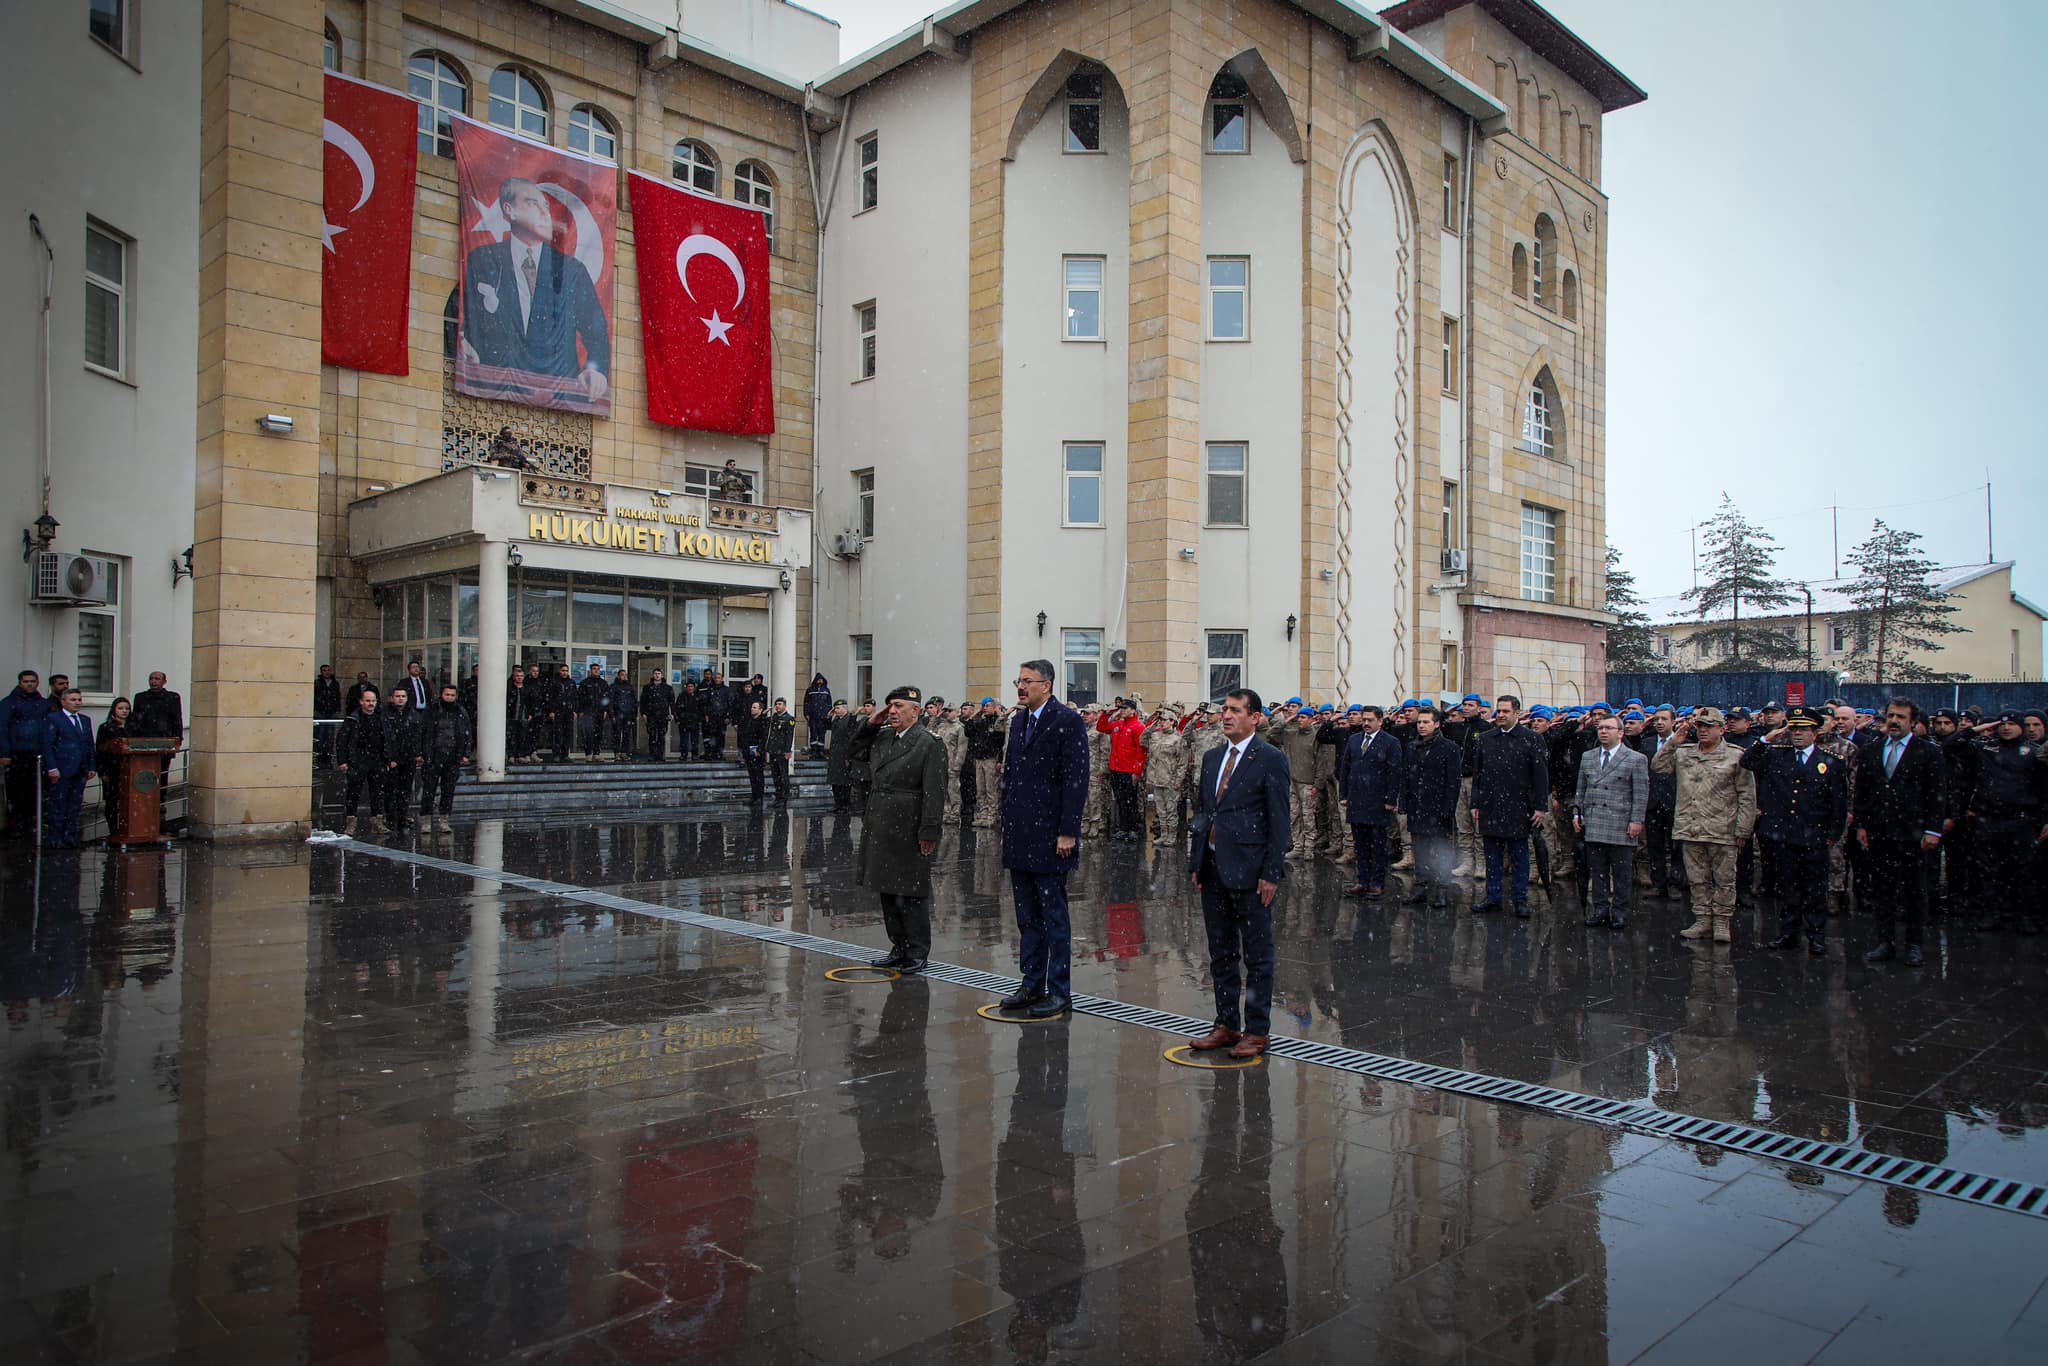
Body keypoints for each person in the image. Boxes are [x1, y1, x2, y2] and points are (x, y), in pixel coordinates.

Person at [1187, 688, 1290, 1060]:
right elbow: (1204, 812)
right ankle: (1227, 1024)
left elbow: (1279, 821)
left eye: (1234, 710)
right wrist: (1198, 861)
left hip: (1251, 873)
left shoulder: (1270, 759)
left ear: (1255, 717)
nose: (1226, 716)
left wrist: (1271, 873)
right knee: (1221, 952)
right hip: (1214, 870)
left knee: (1258, 956)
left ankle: (1257, 1031)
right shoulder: (1213, 758)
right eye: (1224, 710)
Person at [459, 176, 612, 408]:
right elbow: (464, 316)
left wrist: (596, 370)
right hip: (492, 392)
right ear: (508, 210)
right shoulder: (483, 259)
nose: (544, 212)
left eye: (546, 206)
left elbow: (597, 332)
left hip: (561, 399)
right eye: (532, 203)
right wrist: (463, 342)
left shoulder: (570, 271)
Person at [997, 659, 1090, 1018]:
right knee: (1026, 916)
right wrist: (1007, 828)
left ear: (1046, 685)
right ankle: (1031, 983)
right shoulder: (1019, 720)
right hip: (1021, 833)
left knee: (1054, 917)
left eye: (1027, 682)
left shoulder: (1066, 721)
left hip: (1052, 835)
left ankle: (1059, 990)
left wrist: (1068, 830)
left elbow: (1076, 780)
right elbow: (1011, 779)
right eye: (1018, 681)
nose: (1020, 687)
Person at [853, 685, 948, 972]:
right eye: (890, 706)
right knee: (887, 890)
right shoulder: (883, 737)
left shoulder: (929, 743)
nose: (892, 711)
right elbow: (854, 750)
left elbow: (935, 792)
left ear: (916, 711)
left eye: (898, 706)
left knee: (910, 892)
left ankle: (917, 951)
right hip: (880, 822)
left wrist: (929, 831)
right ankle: (899, 946)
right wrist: (872, 722)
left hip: (908, 825)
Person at [1741, 706, 1850, 956]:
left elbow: (1838, 803)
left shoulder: (1830, 762)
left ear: (1815, 732)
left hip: (1815, 835)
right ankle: (1788, 932)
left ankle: (1816, 936)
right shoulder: (1777, 755)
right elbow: (1747, 761)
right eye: (1794, 729)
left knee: (1814, 889)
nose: (1798, 734)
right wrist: (1768, 737)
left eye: (1803, 730)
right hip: (1784, 835)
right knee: (1788, 888)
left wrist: (1833, 834)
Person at [1650, 708, 1757, 944]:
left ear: (1721, 729)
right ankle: (1702, 919)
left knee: (1724, 879)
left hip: (1722, 828)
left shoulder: (1736, 756)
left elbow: (1746, 795)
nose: (1703, 730)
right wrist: (1674, 743)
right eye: (1699, 726)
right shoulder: (1685, 753)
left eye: (1709, 726)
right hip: (1691, 827)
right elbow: (1658, 767)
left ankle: (1721, 922)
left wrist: (1743, 830)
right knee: (1697, 879)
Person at [1954, 712, 2046, 934]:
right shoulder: (1985, 749)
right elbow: (1951, 745)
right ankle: (1991, 914)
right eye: (2002, 724)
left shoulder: (2034, 752)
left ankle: (2025, 917)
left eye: (2012, 724)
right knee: (1988, 871)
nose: (2006, 728)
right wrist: (1976, 728)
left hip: (2021, 821)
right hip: (1989, 820)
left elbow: (2044, 790)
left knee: (2024, 872)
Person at [1470, 695, 1549, 918]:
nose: (1501, 715)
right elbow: (1479, 773)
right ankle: (1493, 897)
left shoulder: (1531, 739)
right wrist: (1476, 802)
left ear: (1517, 712)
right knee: (1492, 855)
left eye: (1506, 711)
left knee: (1519, 856)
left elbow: (1540, 776)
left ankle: (1520, 899)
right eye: (1499, 711)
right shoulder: (1486, 738)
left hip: (1519, 806)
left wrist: (1540, 807)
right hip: (1491, 805)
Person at [1574, 715, 1649, 930]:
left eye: (1609, 728)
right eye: (1601, 728)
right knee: (1597, 870)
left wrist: (1636, 820)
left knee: (1621, 873)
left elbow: (1641, 793)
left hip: (1620, 823)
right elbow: (1581, 789)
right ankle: (1600, 909)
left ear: (1620, 732)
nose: (1603, 732)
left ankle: (1619, 911)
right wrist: (1577, 813)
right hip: (1594, 822)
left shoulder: (1635, 758)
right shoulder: (1588, 757)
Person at [1337, 705, 1403, 899]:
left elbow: (1394, 773)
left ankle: (1377, 883)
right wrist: (1344, 794)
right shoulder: (1354, 740)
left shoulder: (1390, 742)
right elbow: (1345, 768)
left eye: (1370, 720)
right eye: (1364, 719)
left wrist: (1391, 799)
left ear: (1380, 721)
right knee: (1361, 845)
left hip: (1378, 802)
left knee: (1377, 846)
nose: (1366, 723)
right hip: (1357, 801)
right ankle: (1362, 881)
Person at [1400, 706, 1464, 908]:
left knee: (1442, 849)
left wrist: (1447, 809)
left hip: (1438, 807)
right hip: (1417, 806)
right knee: (1420, 849)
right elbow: (1407, 777)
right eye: (1419, 722)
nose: (1421, 726)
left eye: (1426, 722)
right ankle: (1421, 887)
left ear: (1436, 724)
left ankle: (1443, 889)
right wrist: (1404, 803)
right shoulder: (1412, 747)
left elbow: (1453, 782)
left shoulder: (1449, 747)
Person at [38, 690, 95, 848]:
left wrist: (91, 766)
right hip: (62, 768)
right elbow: (47, 745)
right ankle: (55, 838)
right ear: (63, 702)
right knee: (58, 804)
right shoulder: (54, 719)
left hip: (80, 769)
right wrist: (52, 767)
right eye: (73, 699)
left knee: (75, 805)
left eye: (79, 699)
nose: (77, 702)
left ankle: (69, 837)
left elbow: (89, 744)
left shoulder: (84, 720)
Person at [0, 670, 53, 838]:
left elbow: (49, 729)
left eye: (32, 681)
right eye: (26, 681)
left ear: (37, 683)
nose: (29, 684)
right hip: (17, 754)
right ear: (20, 683)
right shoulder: (9, 703)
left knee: (36, 792)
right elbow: (2, 728)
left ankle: (32, 825)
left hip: (38, 755)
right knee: (16, 793)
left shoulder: (43, 704)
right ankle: (16, 825)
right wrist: (5, 752)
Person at [418, 683, 473, 835]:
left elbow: (467, 733)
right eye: (447, 694)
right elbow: (423, 732)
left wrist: (465, 753)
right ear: (441, 695)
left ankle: (444, 820)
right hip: (433, 756)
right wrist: (422, 753)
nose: (449, 697)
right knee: (429, 790)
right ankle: (426, 821)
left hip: (452, 756)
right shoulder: (432, 710)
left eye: (452, 695)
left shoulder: (460, 711)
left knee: (448, 790)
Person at [335, 687, 386, 835]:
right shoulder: (353, 719)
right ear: (361, 702)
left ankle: (377, 822)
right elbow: (341, 741)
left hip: (376, 760)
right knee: (353, 793)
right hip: (357, 760)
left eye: (373, 701)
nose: (371, 703)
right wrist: (342, 760)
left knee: (377, 793)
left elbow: (387, 739)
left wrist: (387, 758)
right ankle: (351, 823)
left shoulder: (380, 718)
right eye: (368, 701)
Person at [1096, 699, 1146, 841]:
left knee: (1131, 801)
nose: (1122, 710)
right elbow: (1102, 728)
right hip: (1116, 768)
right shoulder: (1118, 724)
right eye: (1121, 708)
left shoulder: (1138, 726)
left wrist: (1137, 771)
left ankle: (1133, 829)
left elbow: (1140, 751)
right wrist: (1106, 713)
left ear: (1132, 710)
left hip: (1128, 770)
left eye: (1125, 708)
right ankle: (1124, 828)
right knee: (1120, 800)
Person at [1141, 705, 1190, 847]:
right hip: (1156, 779)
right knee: (1160, 810)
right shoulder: (1155, 735)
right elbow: (1142, 740)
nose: (1162, 722)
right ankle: (1163, 835)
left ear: (1173, 721)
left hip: (1170, 780)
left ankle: (1172, 836)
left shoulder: (1178, 739)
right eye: (1161, 720)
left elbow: (1182, 762)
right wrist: (1152, 725)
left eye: (1165, 720)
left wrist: (1178, 780)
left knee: (1171, 810)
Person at [131, 670, 184, 786]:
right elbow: (135, 720)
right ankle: (147, 802)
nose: (153, 681)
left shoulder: (172, 697)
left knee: (162, 775)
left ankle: (161, 802)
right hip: (144, 743)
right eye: (151, 678)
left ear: (164, 681)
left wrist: (178, 739)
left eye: (157, 679)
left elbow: (177, 719)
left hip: (165, 742)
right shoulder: (141, 697)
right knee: (145, 775)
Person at [382, 686, 423, 834]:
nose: (400, 699)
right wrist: (390, 757)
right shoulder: (385, 714)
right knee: (391, 789)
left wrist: (417, 754)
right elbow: (386, 738)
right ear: (392, 698)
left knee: (405, 789)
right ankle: (390, 817)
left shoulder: (413, 715)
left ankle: (402, 816)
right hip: (393, 759)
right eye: (397, 696)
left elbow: (417, 737)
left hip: (408, 758)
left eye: (403, 696)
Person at [964, 697, 1007, 829]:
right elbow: (968, 732)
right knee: (980, 789)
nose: (985, 708)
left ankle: (992, 816)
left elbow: (1001, 743)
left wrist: (999, 760)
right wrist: (972, 717)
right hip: (979, 758)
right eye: (983, 706)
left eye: (988, 706)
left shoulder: (997, 722)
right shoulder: (980, 722)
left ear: (994, 707)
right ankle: (983, 814)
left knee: (991, 789)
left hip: (991, 759)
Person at [95, 696, 133, 841]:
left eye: (127, 709)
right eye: (120, 708)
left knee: (129, 801)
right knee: (112, 801)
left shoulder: (134, 726)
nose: (124, 711)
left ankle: (129, 829)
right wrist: (102, 771)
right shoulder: (105, 728)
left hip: (131, 770)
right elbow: (100, 750)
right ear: (114, 710)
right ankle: (114, 830)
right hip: (112, 769)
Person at [825, 700, 858, 811]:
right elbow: (826, 728)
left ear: (844, 708)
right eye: (835, 708)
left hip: (844, 754)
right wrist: (828, 717)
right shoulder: (836, 720)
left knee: (844, 782)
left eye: (838, 708)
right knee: (835, 781)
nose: (836, 710)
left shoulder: (849, 719)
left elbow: (851, 734)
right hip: (835, 754)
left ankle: (845, 804)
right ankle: (838, 803)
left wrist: (848, 756)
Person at [736, 698, 769, 801]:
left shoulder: (762, 721)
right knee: (752, 774)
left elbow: (763, 737)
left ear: (760, 710)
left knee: (758, 774)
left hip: (757, 750)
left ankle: (759, 796)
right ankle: (754, 795)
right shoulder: (749, 720)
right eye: (752, 707)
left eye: (755, 708)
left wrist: (758, 749)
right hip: (748, 749)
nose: (752, 709)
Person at [766, 697, 797, 804]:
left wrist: (787, 750)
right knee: (775, 774)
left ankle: (784, 796)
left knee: (783, 774)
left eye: (780, 704)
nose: (778, 706)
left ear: (784, 705)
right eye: (776, 704)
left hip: (782, 750)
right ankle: (778, 793)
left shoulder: (789, 719)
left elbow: (789, 736)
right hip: (773, 749)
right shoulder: (774, 717)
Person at [640, 671, 674, 761]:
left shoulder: (667, 688)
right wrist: (643, 713)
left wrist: (672, 713)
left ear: (662, 675)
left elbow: (671, 702)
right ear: (653, 675)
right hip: (651, 715)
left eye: (659, 673)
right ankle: (652, 754)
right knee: (652, 735)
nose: (657, 675)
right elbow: (643, 701)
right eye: (655, 673)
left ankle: (660, 754)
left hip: (663, 715)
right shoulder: (647, 687)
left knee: (661, 736)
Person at [313, 664, 342, 768]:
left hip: (331, 711)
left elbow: (338, 697)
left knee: (330, 733)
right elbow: (315, 696)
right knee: (320, 733)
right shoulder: (317, 683)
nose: (327, 672)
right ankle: (320, 754)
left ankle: (328, 754)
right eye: (324, 670)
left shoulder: (334, 683)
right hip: (321, 711)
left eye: (328, 670)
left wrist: (337, 709)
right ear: (321, 672)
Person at [606, 668, 637, 759]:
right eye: (622, 675)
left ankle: (624, 752)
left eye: (625, 675)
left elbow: (634, 701)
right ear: (618, 676)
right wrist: (612, 714)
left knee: (627, 734)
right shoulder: (614, 687)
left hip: (628, 714)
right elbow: (610, 701)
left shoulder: (630, 687)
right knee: (617, 734)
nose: (624, 676)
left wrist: (633, 714)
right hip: (617, 713)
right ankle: (617, 752)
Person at [803, 674, 833, 756]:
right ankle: (813, 750)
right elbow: (806, 703)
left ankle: (821, 750)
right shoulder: (810, 690)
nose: (820, 681)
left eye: (821, 679)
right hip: (813, 716)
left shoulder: (826, 690)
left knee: (822, 733)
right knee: (813, 733)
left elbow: (829, 703)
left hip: (823, 717)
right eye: (818, 679)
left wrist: (829, 714)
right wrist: (806, 713)